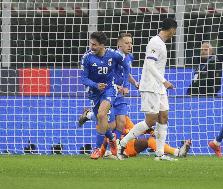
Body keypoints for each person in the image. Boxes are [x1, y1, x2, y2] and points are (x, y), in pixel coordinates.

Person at [117, 18, 178, 161]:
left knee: (164, 117)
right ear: (171, 29)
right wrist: (165, 81)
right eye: (174, 30)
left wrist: (162, 83)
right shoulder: (155, 42)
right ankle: (122, 143)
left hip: (159, 87)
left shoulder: (161, 44)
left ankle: (160, 154)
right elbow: (150, 65)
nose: (174, 33)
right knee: (150, 121)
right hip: (150, 86)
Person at [81, 31, 130, 159]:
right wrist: (95, 85)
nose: (92, 47)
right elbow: (84, 79)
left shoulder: (113, 55)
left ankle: (96, 149)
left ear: (102, 45)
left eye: (95, 44)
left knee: (102, 114)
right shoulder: (87, 57)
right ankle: (112, 138)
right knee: (100, 120)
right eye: (91, 44)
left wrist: (125, 85)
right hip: (94, 93)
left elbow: (126, 67)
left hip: (109, 90)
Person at [101, 116, 191, 159]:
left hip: (129, 146)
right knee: (149, 141)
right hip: (122, 147)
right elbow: (105, 137)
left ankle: (177, 152)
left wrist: (150, 131)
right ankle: (177, 152)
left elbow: (134, 130)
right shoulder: (107, 120)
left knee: (150, 140)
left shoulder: (124, 118)